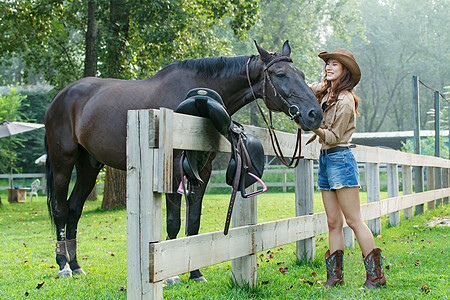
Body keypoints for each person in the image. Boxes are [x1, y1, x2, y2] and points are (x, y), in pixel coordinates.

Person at [304, 48, 386, 289]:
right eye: (328, 63)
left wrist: (312, 126)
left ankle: (376, 276)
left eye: (335, 65)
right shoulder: (325, 93)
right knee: (332, 221)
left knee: (353, 220)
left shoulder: (345, 99)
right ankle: (335, 277)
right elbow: (302, 88)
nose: (329, 67)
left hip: (340, 157)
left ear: (345, 71)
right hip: (326, 159)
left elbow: (332, 136)